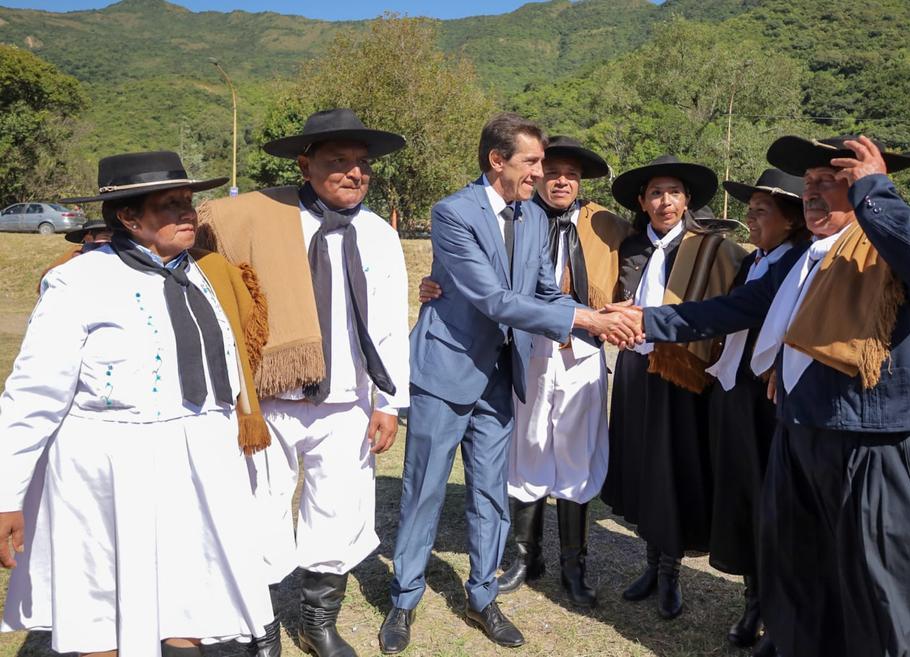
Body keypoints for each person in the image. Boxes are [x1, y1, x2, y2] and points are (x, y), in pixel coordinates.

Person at [607, 136, 910, 657]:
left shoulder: (893, 245)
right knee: (800, 564)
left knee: (882, 581)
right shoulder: (801, 262)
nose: (815, 195)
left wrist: (877, 191)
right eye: (810, 186)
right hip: (800, 434)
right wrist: (644, 319)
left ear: (867, 187)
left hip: (865, 444)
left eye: (834, 182)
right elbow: (728, 310)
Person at [379, 113, 638, 654]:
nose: (541, 173)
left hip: (501, 377)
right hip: (445, 372)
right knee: (424, 490)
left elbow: (545, 291)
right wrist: (587, 321)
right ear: (498, 161)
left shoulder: (534, 219)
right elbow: (493, 297)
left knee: (491, 494)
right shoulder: (452, 212)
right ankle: (404, 599)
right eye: (533, 162)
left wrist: (598, 314)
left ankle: (481, 593)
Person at [0, 151, 274, 657]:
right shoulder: (79, 283)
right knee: (102, 598)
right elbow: (32, 395)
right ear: (128, 217)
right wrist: (5, 494)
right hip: (108, 469)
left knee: (192, 591)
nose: (187, 215)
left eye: (189, 203)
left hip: (197, 459)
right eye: (170, 206)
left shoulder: (201, 276)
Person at [198, 108, 410, 657]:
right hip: (274, 401)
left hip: (349, 403)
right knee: (260, 512)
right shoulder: (262, 222)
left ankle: (319, 623)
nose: (352, 173)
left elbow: (389, 324)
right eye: (337, 161)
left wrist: (389, 402)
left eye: (361, 163)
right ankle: (261, 629)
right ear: (305, 164)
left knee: (337, 513)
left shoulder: (380, 235)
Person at [598, 154, 747, 621]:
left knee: (673, 468)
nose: (665, 202)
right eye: (656, 193)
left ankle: (670, 573)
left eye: (674, 193)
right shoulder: (628, 248)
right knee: (641, 464)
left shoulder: (712, 250)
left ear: (687, 201)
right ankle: (649, 562)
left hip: (682, 373)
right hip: (633, 371)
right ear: (642, 202)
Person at [707, 169, 809, 656]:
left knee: (774, 505)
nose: (749, 216)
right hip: (737, 391)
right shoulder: (755, 261)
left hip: (770, 401)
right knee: (745, 496)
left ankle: (777, 608)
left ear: (790, 221)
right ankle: (754, 598)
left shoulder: (799, 265)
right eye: (749, 208)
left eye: (761, 210)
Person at [39, 219, 115, 284]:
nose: (106, 244)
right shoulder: (75, 254)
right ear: (87, 238)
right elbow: (48, 279)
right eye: (105, 236)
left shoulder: (117, 253)